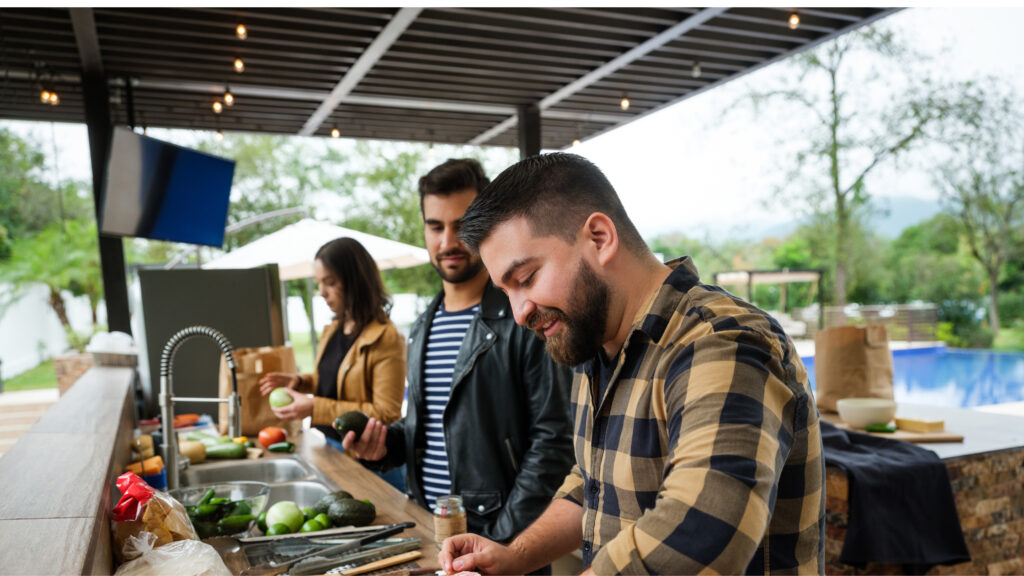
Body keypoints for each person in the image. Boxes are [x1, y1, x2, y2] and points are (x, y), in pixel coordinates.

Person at [439, 153, 826, 575]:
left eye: (527, 278)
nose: (518, 312)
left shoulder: (723, 342)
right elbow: (594, 484)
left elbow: (702, 527)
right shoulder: (595, 344)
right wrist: (516, 555)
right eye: (506, 290)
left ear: (600, 238)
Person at [343, 158, 574, 547]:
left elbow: (553, 443)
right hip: (428, 531)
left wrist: (503, 546)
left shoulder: (525, 317)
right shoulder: (421, 325)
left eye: (462, 224)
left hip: (500, 542)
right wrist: (385, 446)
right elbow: (430, 427)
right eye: (435, 226)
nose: (448, 242)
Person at [259, 237, 406, 451]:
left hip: (365, 457)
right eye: (319, 282)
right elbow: (334, 381)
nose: (321, 292)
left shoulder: (387, 337)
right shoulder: (334, 328)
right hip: (328, 443)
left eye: (330, 282)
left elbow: (386, 414)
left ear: (356, 281)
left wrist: (314, 407)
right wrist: (300, 381)